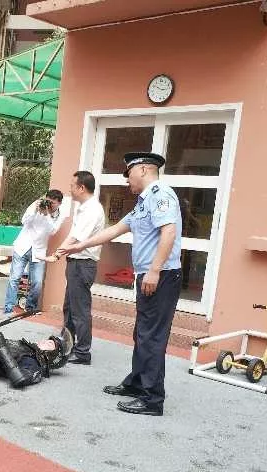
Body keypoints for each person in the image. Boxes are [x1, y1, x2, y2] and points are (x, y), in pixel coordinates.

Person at [57, 152, 182, 417]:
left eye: (129, 173)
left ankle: (152, 400)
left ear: (144, 169)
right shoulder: (143, 202)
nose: (127, 179)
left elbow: (169, 231)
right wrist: (79, 245)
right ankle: (137, 383)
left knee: (152, 337)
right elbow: (114, 230)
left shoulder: (161, 194)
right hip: (148, 276)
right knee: (142, 334)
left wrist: (155, 271)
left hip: (161, 276)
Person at [58, 171, 106, 366]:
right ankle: (66, 345)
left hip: (82, 264)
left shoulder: (92, 209)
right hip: (76, 263)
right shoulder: (83, 208)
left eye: (72, 186)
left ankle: (82, 352)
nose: (70, 189)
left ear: (81, 188)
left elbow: (76, 237)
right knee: (69, 308)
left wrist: (57, 253)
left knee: (79, 310)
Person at [3, 189, 65, 314]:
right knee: (14, 278)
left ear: (59, 203)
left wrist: (47, 214)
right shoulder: (37, 204)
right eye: (48, 201)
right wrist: (35, 210)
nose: (49, 205)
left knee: (37, 282)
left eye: (52, 203)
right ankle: (9, 307)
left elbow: (52, 231)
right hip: (22, 246)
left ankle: (30, 308)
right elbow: (24, 221)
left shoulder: (60, 215)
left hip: (39, 251)